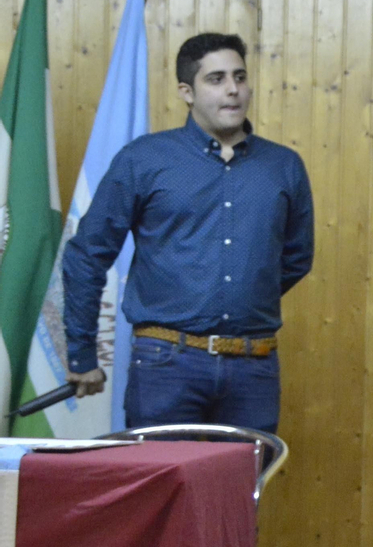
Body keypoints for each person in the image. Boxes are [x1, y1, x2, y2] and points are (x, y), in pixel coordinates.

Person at [62, 33, 314, 434]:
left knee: (239, 495)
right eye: (216, 79)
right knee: (161, 491)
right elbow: (86, 254)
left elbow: (297, 258)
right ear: (187, 91)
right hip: (165, 364)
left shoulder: (284, 166)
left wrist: (238, 292)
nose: (233, 89)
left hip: (254, 368)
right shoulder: (144, 159)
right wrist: (81, 353)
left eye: (240, 77)